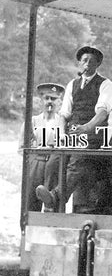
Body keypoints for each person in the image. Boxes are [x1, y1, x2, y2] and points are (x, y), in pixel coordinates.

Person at [36, 46, 112, 212]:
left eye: (91, 61)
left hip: (94, 135)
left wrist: (86, 128)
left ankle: (55, 197)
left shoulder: (105, 84)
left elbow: (102, 113)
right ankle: (51, 206)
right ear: (80, 63)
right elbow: (64, 114)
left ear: (97, 64)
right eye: (84, 60)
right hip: (72, 135)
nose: (87, 64)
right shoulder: (72, 84)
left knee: (77, 163)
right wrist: (61, 135)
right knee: (54, 162)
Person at [19, 83, 64, 212]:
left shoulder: (62, 122)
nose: (50, 102)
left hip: (55, 164)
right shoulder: (32, 121)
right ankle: (28, 230)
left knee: (54, 202)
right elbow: (22, 147)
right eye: (47, 98)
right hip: (36, 164)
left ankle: (53, 230)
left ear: (59, 101)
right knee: (31, 201)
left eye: (53, 99)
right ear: (41, 100)